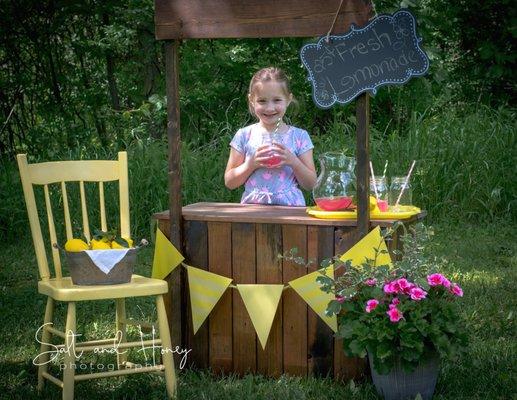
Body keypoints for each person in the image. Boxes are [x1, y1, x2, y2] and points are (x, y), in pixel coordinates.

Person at [224, 67, 317, 206]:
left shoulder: (299, 137)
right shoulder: (244, 135)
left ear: (288, 99)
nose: (269, 108)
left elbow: (311, 184)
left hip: (291, 212)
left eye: (277, 100)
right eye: (262, 101)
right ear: (251, 100)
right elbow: (230, 182)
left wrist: (293, 161)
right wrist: (251, 164)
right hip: (252, 212)